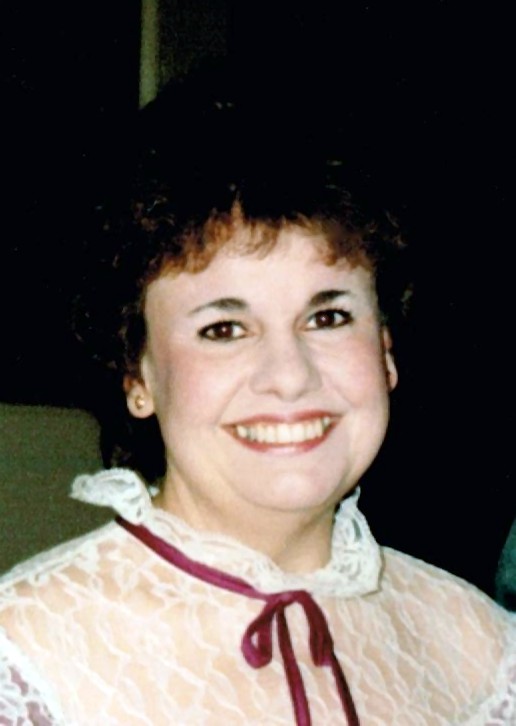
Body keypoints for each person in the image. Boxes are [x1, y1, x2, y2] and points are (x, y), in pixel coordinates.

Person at [0, 167, 514, 725]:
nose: (290, 376)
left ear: (385, 353)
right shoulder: (26, 656)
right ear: (138, 377)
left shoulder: (483, 653)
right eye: (223, 329)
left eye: (328, 318)